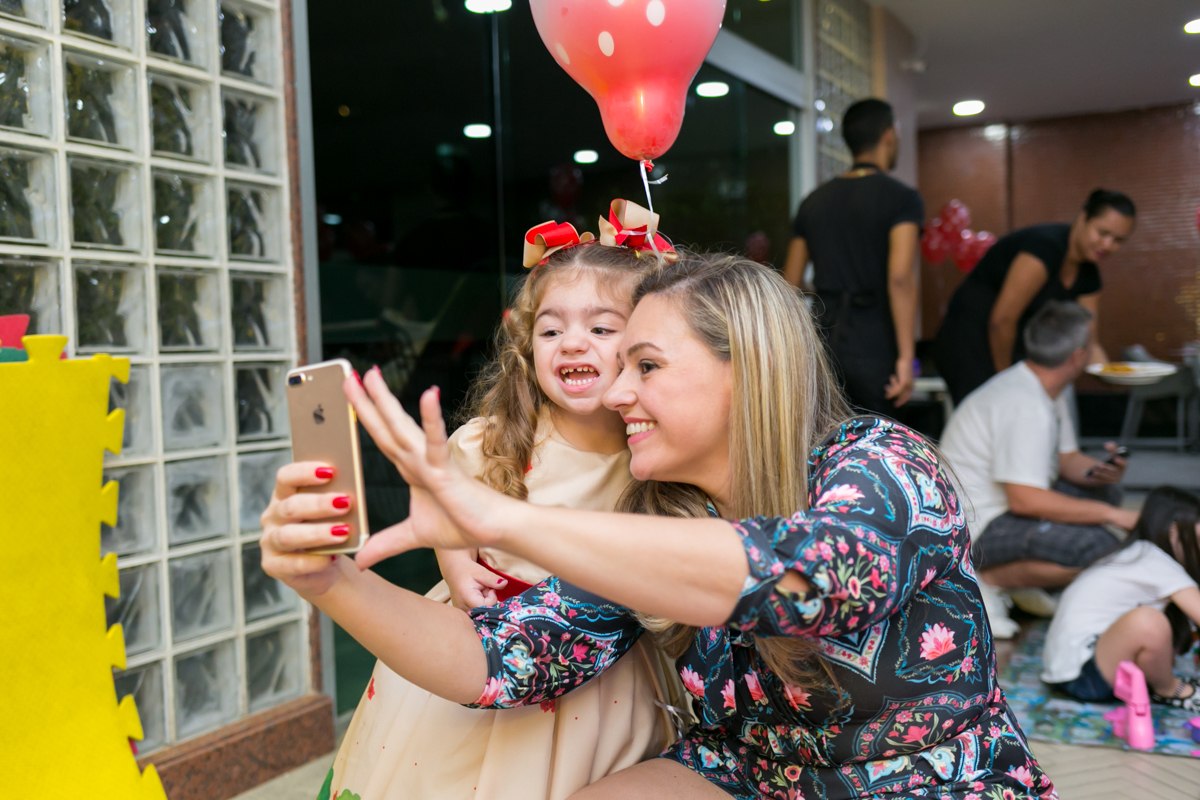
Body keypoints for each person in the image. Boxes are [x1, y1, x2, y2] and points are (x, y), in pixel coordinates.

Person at [262, 253, 1055, 800]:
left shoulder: (883, 462)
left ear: (745, 365)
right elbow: (499, 662)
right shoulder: (663, 516)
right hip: (744, 774)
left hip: (929, 778)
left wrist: (505, 519)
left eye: (644, 365)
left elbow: (816, 577)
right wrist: (332, 581)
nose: (614, 394)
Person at [326, 208, 681, 800]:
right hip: (467, 648)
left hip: (598, 687)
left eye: (601, 328)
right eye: (550, 330)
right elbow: (445, 518)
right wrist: (454, 562)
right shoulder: (491, 442)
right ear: (526, 345)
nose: (572, 342)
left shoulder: (648, 459)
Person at [940, 301, 1136, 638]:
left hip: (1007, 506)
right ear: (1078, 355)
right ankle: (988, 580)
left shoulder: (1046, 387)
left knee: (1106, 492)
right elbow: (1025, 501)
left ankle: (1022, 577)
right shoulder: (1024, 404)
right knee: (1099, 546)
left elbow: (1067, 459)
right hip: (971, 528)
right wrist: (1112, 515)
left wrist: (1103, 469)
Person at [782, 98, 923, 416]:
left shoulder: (813, 202)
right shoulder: (902, 199)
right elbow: (900, 278)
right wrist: (905, 357)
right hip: (875, 344)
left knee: (825, 438)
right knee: (875, 444)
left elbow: (789, 284)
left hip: (824, 342)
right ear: (888, 135)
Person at [935, 189, 1136, 404]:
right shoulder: (1045, 248)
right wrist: (1010, 382)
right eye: (1102, 233)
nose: (1107, 245)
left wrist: (1116, 379)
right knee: (995, 417)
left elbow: (1090, 342)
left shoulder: (1089, 274)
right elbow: (1002, 321)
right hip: (969, 339)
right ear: (1083, 218)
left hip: (1009, 343)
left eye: (1118, 240)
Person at [1042, 487, 1200, 711]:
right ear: (1174, 531)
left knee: (1154, 627)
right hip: (1084, 675)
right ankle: (1169, 690)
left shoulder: (1136, 553)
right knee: (1148, 621)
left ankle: (1160, 684)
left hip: (1075, 668)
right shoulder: (1155, 562)